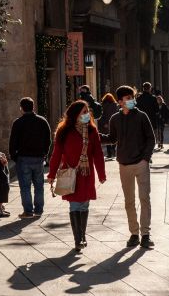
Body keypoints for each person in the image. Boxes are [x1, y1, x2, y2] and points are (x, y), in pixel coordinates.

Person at [100, 85, 156, 248]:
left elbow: (151, 138)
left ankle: (145, 234)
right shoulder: (115, 119)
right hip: (124, 165)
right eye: (127, 98)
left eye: (132, 97)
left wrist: (145, 158)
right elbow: (112, 138)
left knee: (144, 198)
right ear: (120, 102)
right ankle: (134, 234)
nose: (131, 100)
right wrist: (95, 136)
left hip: (141, 163)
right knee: (129, 201)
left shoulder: (142, 116)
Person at [47, 100, 106, 252]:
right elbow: (56, 154)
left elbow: (98, 153)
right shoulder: (64, 131)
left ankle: (82, 236)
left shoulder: (92, 131)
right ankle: (77, 239)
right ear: (75, 115)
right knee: (74, 205)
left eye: (88, 112)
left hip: (86, 174)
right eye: (84, 112)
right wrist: (51, 174)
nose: (87, 115)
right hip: (70, 174)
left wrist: (101, 173)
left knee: (84, 204)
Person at [9, 97, 52, 218]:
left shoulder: (18, 123)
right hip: (38, 158)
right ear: (33, 107)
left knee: (25, 186)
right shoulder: (42, 121)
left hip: (23, 158)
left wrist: (14, 156)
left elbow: (12, 142)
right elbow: (48, 140)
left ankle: (28, 211)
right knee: (39, 186)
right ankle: (38, 210)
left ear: (21, 108)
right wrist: (45, 153)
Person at [136, 82, 159, 148]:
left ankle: (144, 147)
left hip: (141, 120)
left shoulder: (139, 98)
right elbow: (157, 110)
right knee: (151, 136)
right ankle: (149, 149)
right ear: (150, 88)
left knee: (143, 135)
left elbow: (135, 108)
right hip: (151, 120)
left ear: (143, 88)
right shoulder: (153, 98)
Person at [98, 93, 119, 159]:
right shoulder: (115, 105)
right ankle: (113, 150)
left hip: (105, 124)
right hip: (113, 123)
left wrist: (104, 123)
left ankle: (109, 153)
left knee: (107, 136)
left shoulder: (102, 105)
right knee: (114, 135)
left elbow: (101, 116)